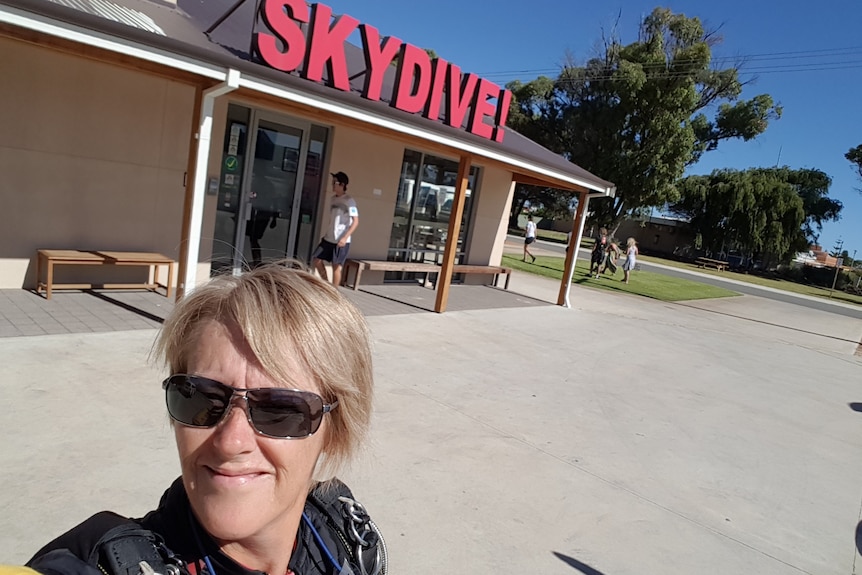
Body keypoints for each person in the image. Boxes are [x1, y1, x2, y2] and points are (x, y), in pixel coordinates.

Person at [24, 264, 386, 575]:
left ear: (336, 430)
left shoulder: (346, 537)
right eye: (201, 397)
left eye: (280, 409)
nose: (231, 441)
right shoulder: (99, 560)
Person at [312, 172, 359, 287]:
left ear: (342, 184)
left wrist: (345, 237)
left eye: (335, 182)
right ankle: (326, 285)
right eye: (332, 182)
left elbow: (356, 221)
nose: (332, 185)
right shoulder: (333, 199)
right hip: (329, 238)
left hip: (341, 240)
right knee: (316, 260)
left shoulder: (349, 201)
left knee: (336, 266)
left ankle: (334, 291)